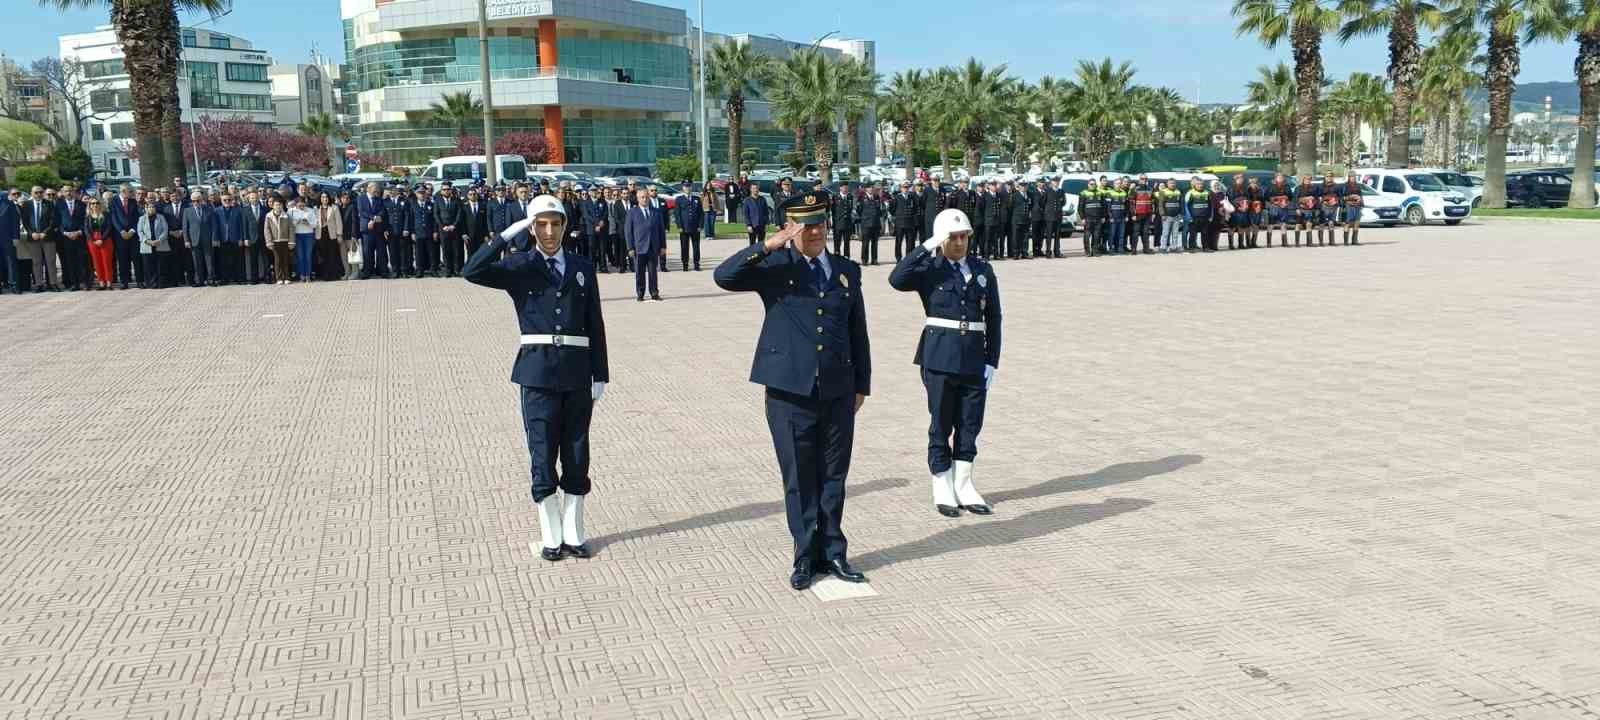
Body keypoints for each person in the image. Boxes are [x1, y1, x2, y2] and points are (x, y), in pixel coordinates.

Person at [712, 190, 872, 591]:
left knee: (834, 475)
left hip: (837, 389)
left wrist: (862, 384)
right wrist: (768, 245)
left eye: (819, 223)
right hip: (789, 390)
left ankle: (834, 551)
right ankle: (805, 554)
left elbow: (858, 332)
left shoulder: (845, 270)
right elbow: (724, 277)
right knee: (799, 476)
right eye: (805, 225)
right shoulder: (775, 267)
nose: (815, 231)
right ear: (791, 228)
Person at [465, 195, 610, 562]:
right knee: (543, 452)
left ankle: (575, 532)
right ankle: (551, 534)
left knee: (577, 453)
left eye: (555, 224)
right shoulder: (520, 265)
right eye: (541, 225)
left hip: (577, 371)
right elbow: (472, 271)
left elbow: (595, 321)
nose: (549, 232)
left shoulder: (580, 265)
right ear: (532, 228)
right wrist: (506, 234)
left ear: (564, 226)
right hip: (537, 371)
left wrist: (601, 373)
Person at [889, 208, 1002, 517]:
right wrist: (928, 245)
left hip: (973, 357)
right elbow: (896, 279)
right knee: (941, 422)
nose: (960, 242)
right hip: (939, 355)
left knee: (970, 423)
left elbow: (993, 317)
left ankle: (964, 484)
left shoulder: (982, 269)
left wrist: (992, 360)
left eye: (964, 237)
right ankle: (942, 482)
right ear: (942, 239)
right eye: (953, 237)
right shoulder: (930, 269)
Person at [624, 188, 663, 301]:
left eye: (646, 197)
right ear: (637, 198)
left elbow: (661, 230)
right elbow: (628, 231)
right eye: (642, 197)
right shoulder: (632, 212)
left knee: (653, 272)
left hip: (653, 247)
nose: (645, 199)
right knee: (639, 273)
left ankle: (654, 292)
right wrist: (630, 247)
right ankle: (640, 293)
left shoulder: (656, 212)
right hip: (638, 247)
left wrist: (663, 246)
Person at [181, 190, 218, 286]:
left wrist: (214, 239)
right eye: (193, 201)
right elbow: (185, 227)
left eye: (198, 200)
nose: (196, 203)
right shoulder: (187, 211)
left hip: (207, 239)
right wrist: (186, 240)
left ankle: (211, 279)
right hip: (194, 240)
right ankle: (199, 280)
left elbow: (214, 226)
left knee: (209, 261)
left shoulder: (209, 209)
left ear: (201, 200)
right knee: (197, 262)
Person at [56, 186, 88, 291]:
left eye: (70, 191)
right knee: (69, 261)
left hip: (79, 236)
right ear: (62, 193)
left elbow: (85, 221)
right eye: (66, 191)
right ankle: (73, 283)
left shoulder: (81, 204)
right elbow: (57, 221)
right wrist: (65, 232)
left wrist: (79, 232)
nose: (68, 193)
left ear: (73, 192)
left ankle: (83, 282)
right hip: (65, 237)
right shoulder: (58, 205)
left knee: (81, 260)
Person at [136, 198, 172, 288]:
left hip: (160, 244)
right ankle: (151, 283)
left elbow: (165, 230)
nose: (151, 208)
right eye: (149, 207)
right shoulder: (142, 218)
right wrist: (146, 241)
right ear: (146, 208)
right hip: (147, 245)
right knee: (148, 267)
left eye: (153, 207)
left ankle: (161, 283)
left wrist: (159, 240)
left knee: (160, 266)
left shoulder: (161, 217)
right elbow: (140, 231)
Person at [82, 196, 114, 290]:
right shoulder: (87, 217)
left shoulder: (106, 214)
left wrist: (102, 239)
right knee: (97, 263)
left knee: (106, 262)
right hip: (92, 242)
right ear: (89, 205)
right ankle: (101, 283)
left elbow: (109, 227)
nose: (95, 205)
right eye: (92, 203)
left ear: (100, 204)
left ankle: (108, 283)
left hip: (105, 240)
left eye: (97, 203)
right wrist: (93, 240)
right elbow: (86, 230)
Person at [358, 182, 389, 278]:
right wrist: (373, 218)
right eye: (375, 189)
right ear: (369, 188)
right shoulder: (361, 198)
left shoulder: (378, 198)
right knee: (367, 251)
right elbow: (362, 211)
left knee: (381, 251)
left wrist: (376, 218)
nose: (377, 190)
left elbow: (382, 210)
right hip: (367, 229)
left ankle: (382, 271)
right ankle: (367, 271)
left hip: (378, 229)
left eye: (377, 189)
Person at [215, 193, 246, 284]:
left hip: (235, 238)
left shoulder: (238, 210)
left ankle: (238, 278)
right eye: (225, 200)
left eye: (229, 200)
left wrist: (241, 238)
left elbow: (241, 225)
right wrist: (216, 239)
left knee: (237, 260)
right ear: (221, 201)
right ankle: (225, 278)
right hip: (222, 238)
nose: (227, 201)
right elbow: (215, 226)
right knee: (223, 260)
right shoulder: (216, 211)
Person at [433, 184, 464, 277]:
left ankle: (456, 270)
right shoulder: (438, 201)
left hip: (454, 229)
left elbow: (459, 214)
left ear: (451, 190)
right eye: (444, 189)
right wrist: (442, 226)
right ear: (441, 191)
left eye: (448, 189)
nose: (446, 191)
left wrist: (454, 225)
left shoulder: (456, 200)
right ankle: (448, 270)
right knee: (446, 251)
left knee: (456, 250)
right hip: (443, 229)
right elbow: (436, 214)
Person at [674, 181, 704, 271]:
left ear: (691, 187)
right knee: (684, 247)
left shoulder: (697, 199)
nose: (687, 188)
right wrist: (679, 226)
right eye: (686, 187)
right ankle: (685, 264)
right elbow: (677, 214)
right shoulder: (679, 199)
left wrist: (700, 225)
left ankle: (696, 264)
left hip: (695, 227)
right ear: (683, 188)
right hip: (684, 227)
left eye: (689, 186)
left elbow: (701, 214)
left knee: (696, 247)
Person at [288, 195, 318, 282]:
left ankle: (308, 275)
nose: (301, 207)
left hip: (308, 234)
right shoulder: (291, 211)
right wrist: (295, 222)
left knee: (308, 256)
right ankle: (301, 275)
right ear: (296, 204)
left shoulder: (310, 210)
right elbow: (288, 224)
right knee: (300, 256)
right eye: (299, 205)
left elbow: (315, 224)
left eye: (303, 205)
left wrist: (308, 223)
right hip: (297, 235)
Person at [264, 197, 294, 285]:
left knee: (286, 259)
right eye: (276, 205)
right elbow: (267, 229)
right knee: (277, 260)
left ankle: (287, 277)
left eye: (280, 205)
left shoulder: (287, 215)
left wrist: (291, 241)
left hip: (285, 240)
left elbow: (291, 228)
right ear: (272, 206)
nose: (278, 207)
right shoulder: (268, 216)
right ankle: (279, 278)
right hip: (274, 241)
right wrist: (269, 241)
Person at [316, 192, 345, 280]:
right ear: (320, 199)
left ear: (329, 198)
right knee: (323, 255)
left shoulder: (334, 208)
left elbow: (339, 222)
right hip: (321, 234)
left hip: (331, 234)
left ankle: (333, 275)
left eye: (326, 197)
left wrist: (339, 234)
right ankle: (325, 275)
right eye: (323, 197)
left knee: (332, 255)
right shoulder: (316, 209)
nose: (325, 199)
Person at [891, 181, 919, 261]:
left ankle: (908, 258)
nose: (906, 189)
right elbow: (892, 209)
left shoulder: (912, 197)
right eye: (904, 187)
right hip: (900, 223)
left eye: (907, 187)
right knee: (898, 242)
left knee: (910, 242)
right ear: (901, 188)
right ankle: (898, 258)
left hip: (910, 223)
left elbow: (915, 208)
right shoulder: (897, 198)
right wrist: (897, 216)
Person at [857, 184, 884, 266]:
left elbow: (879, 210)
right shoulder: (861, 198)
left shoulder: (876, 197)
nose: (871, 189)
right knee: (865, 243)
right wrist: (865, 217)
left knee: (874, 243)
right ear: (866, 189)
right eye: (869, 187)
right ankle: (864, 260)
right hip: (866, 223)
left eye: (872, 188)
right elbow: (859, 210)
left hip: (875, 223)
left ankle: (874, 259)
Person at [1183, 177, 1212, 253]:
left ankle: (1206, 247)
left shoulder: (1207, 192)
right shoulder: (1190, 193)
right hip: (1194, 217)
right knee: (1193, 233)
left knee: (1205, 233)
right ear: (1195, 185)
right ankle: (1192, 248)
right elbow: (1186, 206)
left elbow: (1210, 205)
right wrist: (1189, 217)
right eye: (1198, 184)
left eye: (1202, 184)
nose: (1200, 185)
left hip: (1205, 217)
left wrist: (1211, 216)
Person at [1157, 179, 1184, 254]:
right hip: (1167, 216)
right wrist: (1162, 214)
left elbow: (1181, 204)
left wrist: (1181, 213)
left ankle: (1174, 248)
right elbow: (1160, 204)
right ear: (1167, 184)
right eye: (1171, 183)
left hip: (1176, 216)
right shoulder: (1163, 192)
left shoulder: (1178, 191)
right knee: (1165, 233)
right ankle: (1163, 248)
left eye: (1174, 183)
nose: (1172, 184)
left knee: (1175, 233)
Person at [1130, 176, 1156, 255]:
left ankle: (1146, 249)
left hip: (1147, 214)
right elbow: (1131, 203)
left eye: (1145, 179)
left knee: (1146, 232)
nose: (1144, 180)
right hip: (1138, 214)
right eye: (1142, 179)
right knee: (1136, 233)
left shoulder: (1150, 189)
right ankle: (1134, 249)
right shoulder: (1134, 189)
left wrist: (1153, 213)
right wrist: (1133, 214)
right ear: (1139, 180)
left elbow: (1153, 202)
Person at [1266, 173, 1293, 248]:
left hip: (1283, 207)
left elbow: (1290, 196)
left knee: (1283, 224)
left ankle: (1284, 242)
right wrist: (1275, 200)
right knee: (1270, 225)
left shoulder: (1287, 186)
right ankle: (1269, 243)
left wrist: (1286, 202)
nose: (1280, 178)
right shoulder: (1271, 186)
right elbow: (1266, 196)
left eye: (1282, 177)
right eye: (1279, 177)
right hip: (1274, 207)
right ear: (1275, 178)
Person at [1078, 179, 1104, 257]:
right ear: (1088, 185)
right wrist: (1082, 218)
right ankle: (1087, 251)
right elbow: (1080, 207)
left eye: (1094, 184)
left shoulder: (1100, 193)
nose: (1093, 185)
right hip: (1088, 218)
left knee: (1096, 236)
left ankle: (1095, 251)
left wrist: (1103, 216)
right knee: (1087, 235)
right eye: (1091, 184)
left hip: (1098, 218)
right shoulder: (1083, 193)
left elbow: (1103, 206)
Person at [1103, 179, 1127, 256]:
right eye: (1117, 183)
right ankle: (1111, 248)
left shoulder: (1124, 193)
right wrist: (1110, 216)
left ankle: (1120, 249)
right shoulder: (1109, 193)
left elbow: (1126, 206)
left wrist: (1126, 216)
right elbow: (1108, 207)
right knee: (1112, 234)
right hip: (1113, 217)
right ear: (1114, 184)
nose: (1118, 185)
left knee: (1121, 234)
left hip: (1122, 217)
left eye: (1120, 183)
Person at [0, 189, 18, 293]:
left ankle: (13, 285)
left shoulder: (8, 203)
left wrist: (15, 237)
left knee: (11, 262)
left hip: (7, 238)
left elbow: (15, 221)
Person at [830, 183, 854, 258]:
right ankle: (837, 257)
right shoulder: (835, 197)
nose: (845, 189)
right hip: (838, 223)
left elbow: (850, 209)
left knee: (847, 242)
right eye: (844, 187)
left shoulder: (850, 197)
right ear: (840, 188)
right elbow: (832, 210)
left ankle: (846, 257)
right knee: (837, 242)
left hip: (847, 223)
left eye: (847, 187)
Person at [1295, 174, 1319, 247]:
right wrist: (1297, 208)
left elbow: (1317, 199)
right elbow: (1295, 199)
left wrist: (1317, 208)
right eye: (1306, 179)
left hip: (1310, 209)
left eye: (1309, 179)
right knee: (1298, 225)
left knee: (1309, 224)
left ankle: (1309, 243)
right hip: (1301, 209)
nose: (1307, 180)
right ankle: (1297, 243)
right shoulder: (1298, 188)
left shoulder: (1314, 188)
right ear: (1303, 179)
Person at [1340, 175, 1363, 245]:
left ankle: (1354, 241)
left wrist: (1360, 200)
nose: (1353, 178)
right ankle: (1346, 242)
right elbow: (1341, 197)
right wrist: (1350, 197)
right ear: (1349, 177)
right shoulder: (1345, 186)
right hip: (1348, 206)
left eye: (1354, 177)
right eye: (1351, 176)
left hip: (1357, 206)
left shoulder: (1358, 186)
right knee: (1347, 223)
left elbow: (1361, 196)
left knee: (1356, 223)